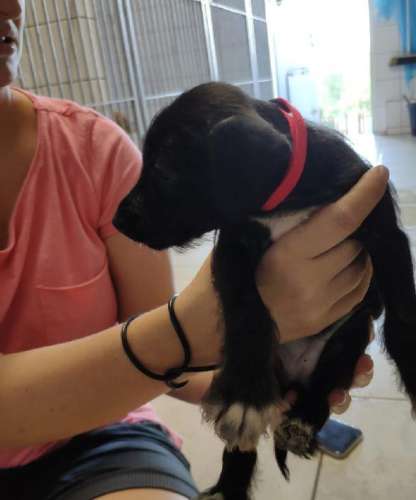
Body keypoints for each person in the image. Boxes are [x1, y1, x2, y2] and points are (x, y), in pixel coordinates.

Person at [0, 1, 386, 498]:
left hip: (98, 433)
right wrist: (192, 328)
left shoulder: (94, 150)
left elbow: (158, 354)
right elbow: (163, 343)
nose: (10, 6)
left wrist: (251, 383)